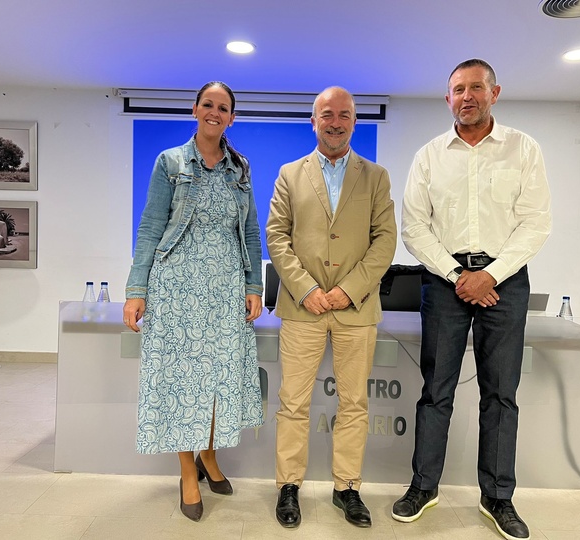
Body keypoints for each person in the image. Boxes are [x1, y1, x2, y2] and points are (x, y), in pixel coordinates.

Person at [394, 59, 551, 540]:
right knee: (435, 390)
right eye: (458, 89)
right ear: (448, 99)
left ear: (494, 92)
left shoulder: (524, 149)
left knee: (501, 393)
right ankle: (424, 486)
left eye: (476, 87)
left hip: (505, 280)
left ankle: (498, 497)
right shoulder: (428, 156)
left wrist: (490, 275)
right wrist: (459, 275)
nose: (467, 96)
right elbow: (414, 227)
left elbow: (536, 223)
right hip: (445, 282)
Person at [123, 81, 264, 522]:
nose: (215, 112)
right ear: (195, 109)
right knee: (181, 384)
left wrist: (254, 285)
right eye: (208, 105)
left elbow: (250, 232)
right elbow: (149, 227)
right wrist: (136, 290)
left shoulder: (239, 169)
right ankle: (187, 470)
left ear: (231, 118)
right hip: (176, 288)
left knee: (218, 381)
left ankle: (209, 455)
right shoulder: (170, 162)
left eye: (223, 108)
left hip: (224, 289)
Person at [266, 86, 397, 529]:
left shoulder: (376, 176)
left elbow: (385, 241)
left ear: (355, 122)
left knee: (354, 402)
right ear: (314, 121)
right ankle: (288, 486)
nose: (336, 122)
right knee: (293, 403)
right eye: (327, 114)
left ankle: (347, 489)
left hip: (355, 310)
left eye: (344, 115)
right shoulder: (289, 173)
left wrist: (350, 290)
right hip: (303, 308)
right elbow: (277, 237)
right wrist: (306, 290)